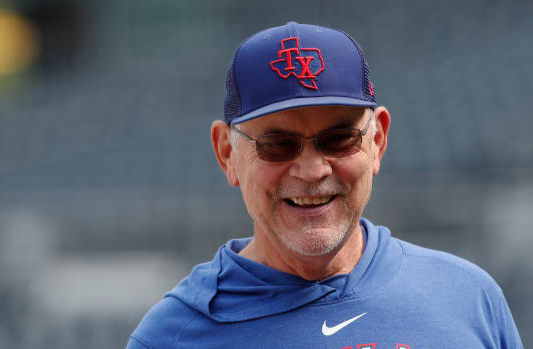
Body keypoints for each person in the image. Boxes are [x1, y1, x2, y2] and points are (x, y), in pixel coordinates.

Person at [127, 22, 523, 348]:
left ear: (377, 141)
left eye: (339, 139)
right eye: (278, 144)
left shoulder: (468, 296)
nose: (313, 170)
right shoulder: (171, 336)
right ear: (227, 154)